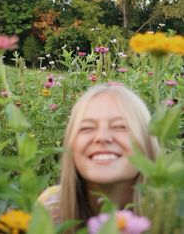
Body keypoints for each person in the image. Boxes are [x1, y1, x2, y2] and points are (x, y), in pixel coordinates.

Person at [38, 83, 159, 232]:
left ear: (147, 143)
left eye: (120, 126)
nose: (102, 137)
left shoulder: (174, 216)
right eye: (87, 128)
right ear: (70, 145)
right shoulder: (51, 208)